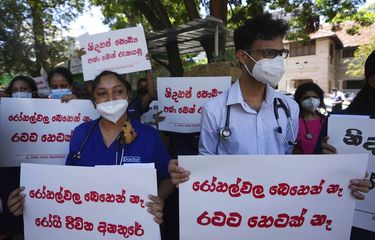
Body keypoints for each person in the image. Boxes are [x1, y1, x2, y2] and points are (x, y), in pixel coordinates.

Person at [169, 13, 369, 201]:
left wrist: (340, 170)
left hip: (275, 208)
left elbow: (290, 157)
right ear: (243, 56)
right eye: (268, 53)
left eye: (280, 53)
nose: (277, 61)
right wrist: (183, 173)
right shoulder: (214, 110)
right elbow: (205, 165)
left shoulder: (290, 107)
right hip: (231, 208)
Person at [7, 70, 174, 225]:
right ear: (94, 101)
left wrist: (159, 199)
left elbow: (167, 178)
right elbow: (67, 182)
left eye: (118, 91)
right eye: (102, 93)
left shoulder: (149, 135)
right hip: (90, 225)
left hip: (133, 226)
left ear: (128, 95)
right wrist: (30, 202)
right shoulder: (81, 133)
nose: (111, 98)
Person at [315, 50, 375, 240]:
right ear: (373, 81)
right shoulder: (342, 122)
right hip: (352, 224)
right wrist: (323, 159)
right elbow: (313, 174)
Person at [293, 82, 326, 154]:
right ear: (299, 100)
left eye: (315, 97)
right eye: (306, 98)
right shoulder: (293, 122)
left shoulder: (326, 121)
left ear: (320, 99)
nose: (311, 101)